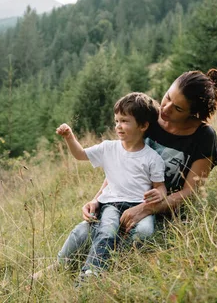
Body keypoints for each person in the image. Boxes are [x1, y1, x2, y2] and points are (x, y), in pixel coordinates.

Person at [56, 69, 217, 274]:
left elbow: (190, 192)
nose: (166, 108)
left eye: (178, 108)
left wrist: (146, 209)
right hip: (124, 199)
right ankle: (58, 267)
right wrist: (97, 199)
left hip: (165, 213)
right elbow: (124, 164)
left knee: (141, 235)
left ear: (192, 113)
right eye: (167, 97)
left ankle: (110, 269)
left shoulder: (204, 137)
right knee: (83, 231)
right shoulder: (150, 118)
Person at [56, 92, 168, 280]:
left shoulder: (152, 158)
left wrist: (159, 194)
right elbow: (80, 154)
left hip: (139, 207)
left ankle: (117, 261)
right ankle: (90, 272)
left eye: (124, 121)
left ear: (143, 126)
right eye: (116, 121)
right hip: (112, 205)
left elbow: (161, 187)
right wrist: (69, 137)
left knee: (145, 232)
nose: (118, 126)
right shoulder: (109, 148)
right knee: (107, 231)